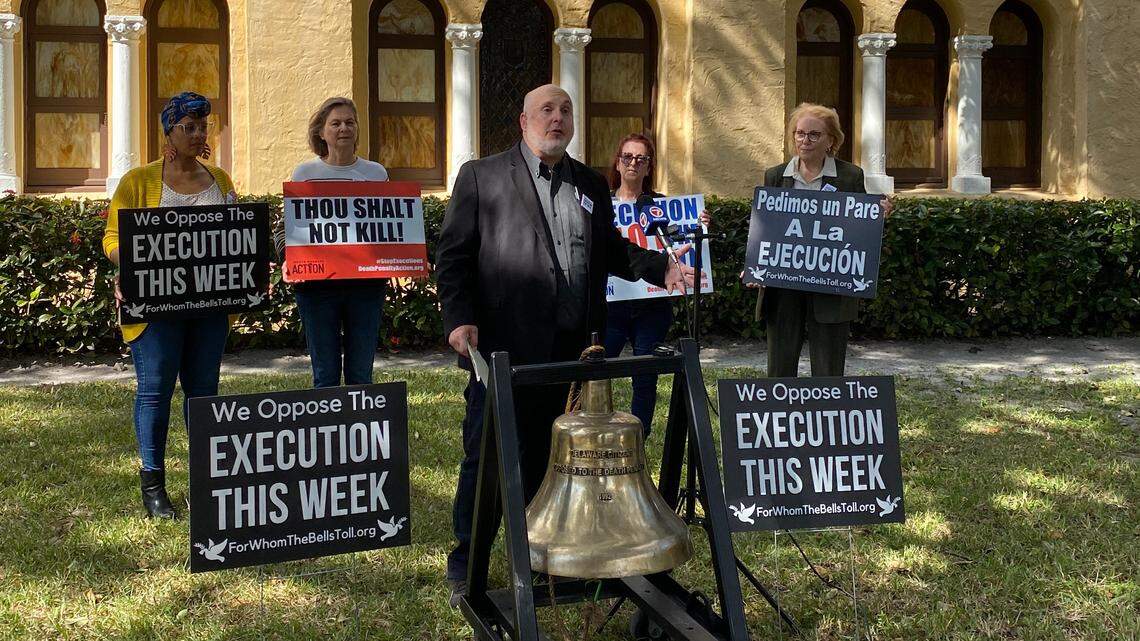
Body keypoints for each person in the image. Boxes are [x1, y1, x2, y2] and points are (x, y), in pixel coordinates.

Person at [435, 84, 694, 604]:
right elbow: (454, 256)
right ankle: (468, 562)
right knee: (486, 457)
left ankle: (535, 555)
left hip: (572, 354)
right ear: (523, 121)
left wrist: (659, 266)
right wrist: (459, 321)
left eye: (566, 110)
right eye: (546, 110)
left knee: (550, 459)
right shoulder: (481, 177)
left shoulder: (590, 183)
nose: (557, 118)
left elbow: (611, 250)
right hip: (503, 351)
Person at [102, 91, 237, 519]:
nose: (198, 134)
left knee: (204, 395)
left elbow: (237, 236)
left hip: (209, 309)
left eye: (203, 126)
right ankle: (154, 486)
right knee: (155, 393)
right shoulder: (138, 181)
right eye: (189, 127)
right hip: (155, 311)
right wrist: (131, 266)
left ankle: (206, 481)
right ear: (169, 132)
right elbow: (112, 238)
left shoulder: (221, 179)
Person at [751, 102, 892, 377]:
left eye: (814, 134)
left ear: (831, 140)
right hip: (783, 285)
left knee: (828, 370)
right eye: (799, 133)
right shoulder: (776, 175)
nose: (805, 140)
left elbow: (858, 226)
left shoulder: (850, 176)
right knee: (779, 366)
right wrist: (756, 263)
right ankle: (782, 416)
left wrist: (877, 216)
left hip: (830, 283)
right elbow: (766, 228)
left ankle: (825, 417)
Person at [604, 133, 710, 436]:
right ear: (618, 162)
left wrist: (701, 224)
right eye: (628, 157)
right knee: (598, 372)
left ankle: (640, 435)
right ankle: (598, 431)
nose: (633, 163)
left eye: (641, 158)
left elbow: (686, 240)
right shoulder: (604, 205)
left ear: (649, 166)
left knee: (646, 374)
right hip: (612, 304)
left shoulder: (663, 205)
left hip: (652, 305)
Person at [286, 97, 389, 388]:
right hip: (318, 286)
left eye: (350, 122)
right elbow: (292, 228)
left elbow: (387, 228)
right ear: (321, 131)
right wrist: (287, 257)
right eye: (336, 123)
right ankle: (326, 433)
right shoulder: (304, 174)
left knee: (360, 375)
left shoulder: (376, 174)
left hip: (366, 286)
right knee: (325, 375)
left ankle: (359, 431)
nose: (344, 128)